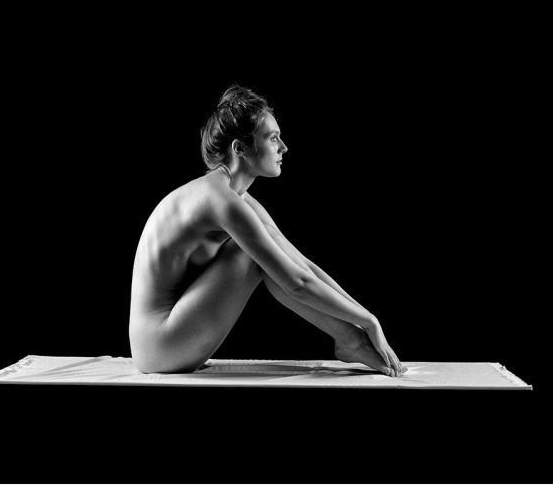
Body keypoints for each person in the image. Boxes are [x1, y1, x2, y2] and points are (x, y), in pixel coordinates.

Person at [128, 85, 403, 377]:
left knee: (267, 248)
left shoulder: (236, 198)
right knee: (251, 255)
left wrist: (363, 321)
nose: (283, 147)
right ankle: (350, 341)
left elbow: (303, 266)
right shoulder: (219, 200)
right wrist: (370, 322)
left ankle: (350, 340)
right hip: (158, 346)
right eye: (272, 138)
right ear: (240, 148)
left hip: (175, 335)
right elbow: (296, 283)